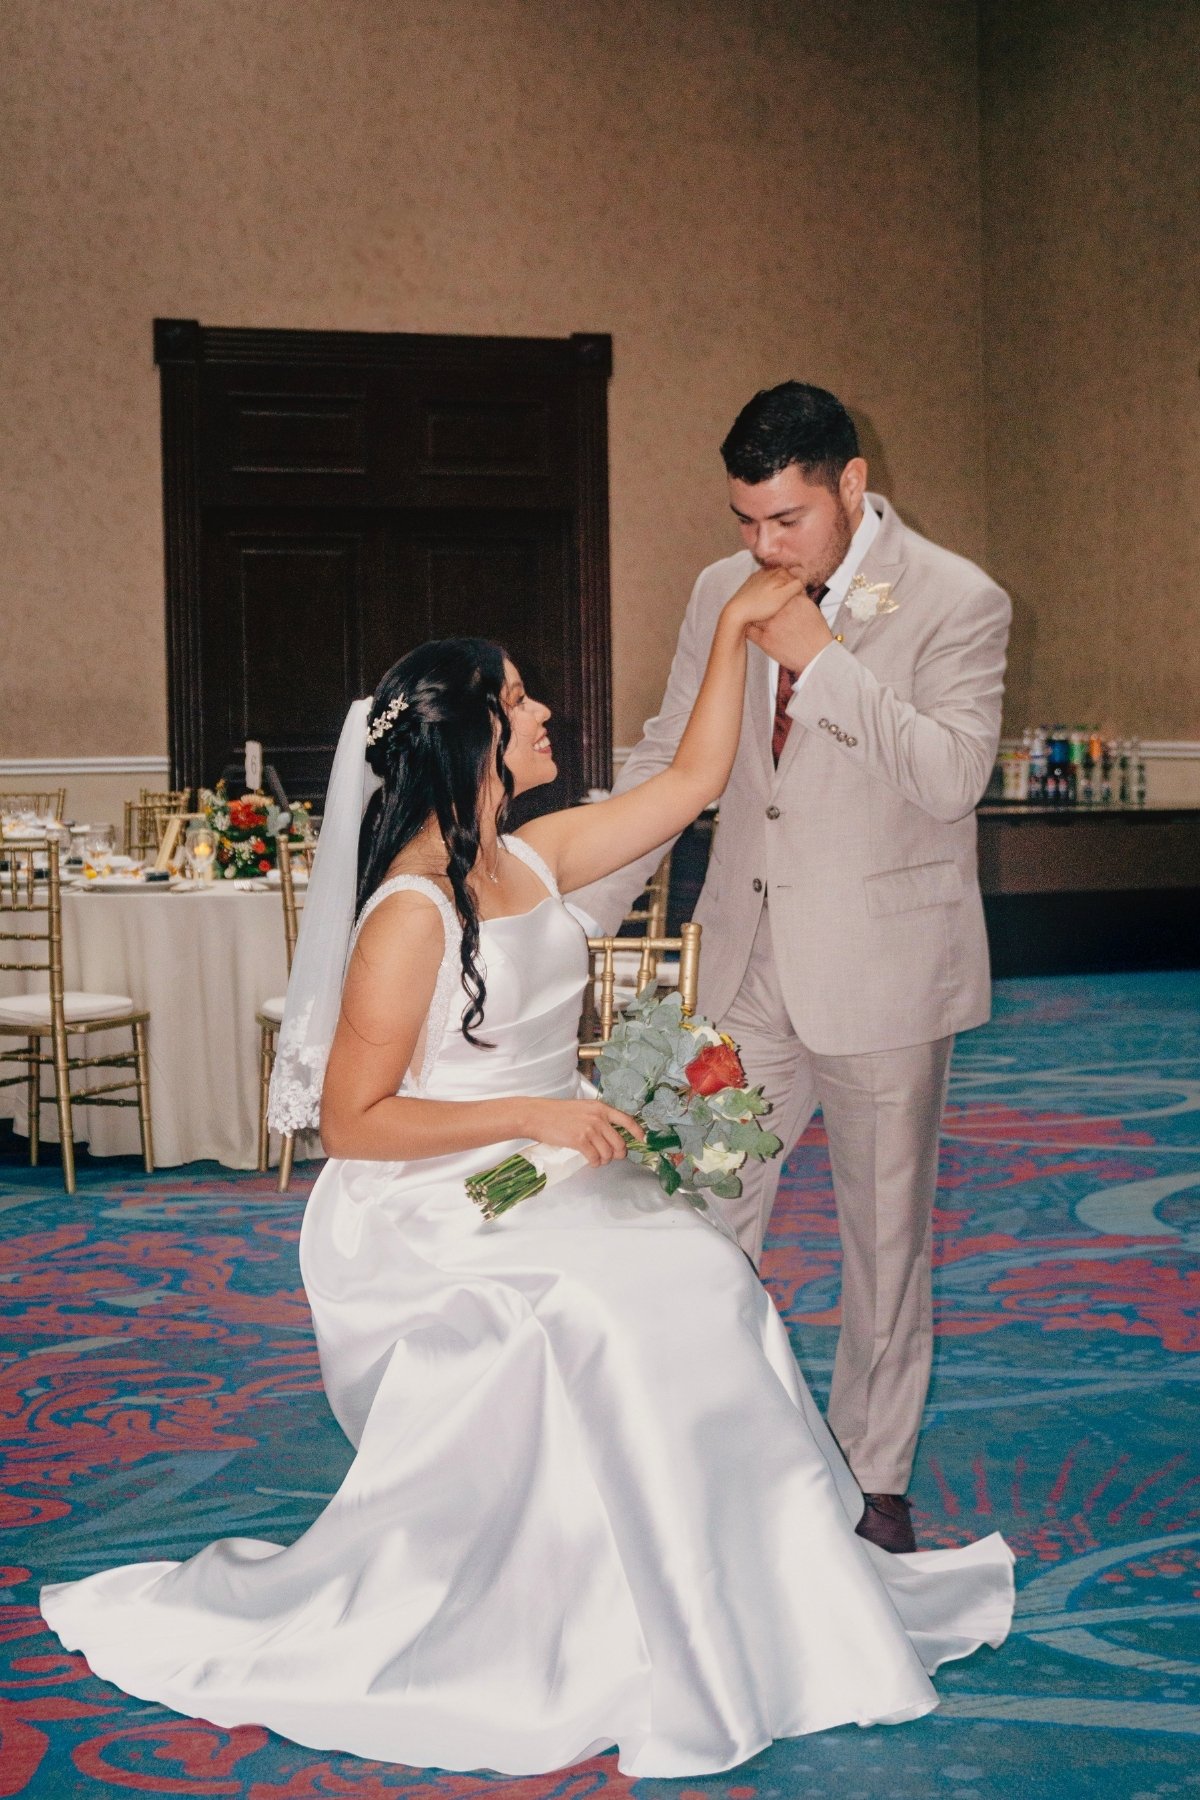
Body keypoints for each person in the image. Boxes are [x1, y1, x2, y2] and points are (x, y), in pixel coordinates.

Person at [41, 597, 1013, 1780]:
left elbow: (695, 778)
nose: (545, 711)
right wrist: (535, 1115)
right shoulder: (411, 912)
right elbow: (354, 1125)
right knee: (600, 1310)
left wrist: (729, 637)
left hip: (549, 1169)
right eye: (518, 699)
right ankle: (599, 1614)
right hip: (442, 1195)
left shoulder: (529, 856)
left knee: (709, 1277)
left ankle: (743, 1598)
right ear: (471, 738)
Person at [573, 381, 1012, 1555]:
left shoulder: (959, 598)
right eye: (746, 520)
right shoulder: (720, 589)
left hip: (885, 974)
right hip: (745, 968)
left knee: (884, 1244)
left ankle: (875, 1478)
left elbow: (952, 777)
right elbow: (673, 758)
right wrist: (573, 915)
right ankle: (710, 1449)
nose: (763, 547)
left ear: (850, 486)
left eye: (786, 520)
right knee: (698, 1211)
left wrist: (823, 661)